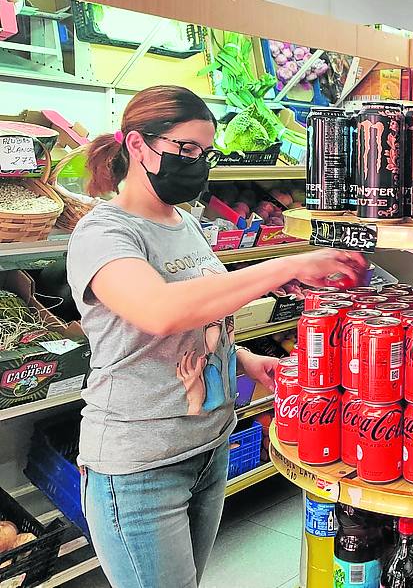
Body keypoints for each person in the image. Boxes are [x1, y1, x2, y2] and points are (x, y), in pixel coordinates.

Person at [66, 86, 365, 588]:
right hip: (142, 465)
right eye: (184, 150)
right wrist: (285, 264)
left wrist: (242, 360)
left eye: (205, 152)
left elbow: (203, 314)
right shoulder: (104, 233)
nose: (197, 163)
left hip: (207, 448)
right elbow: (160, 313)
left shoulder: (183, 222)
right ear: (137, 145)